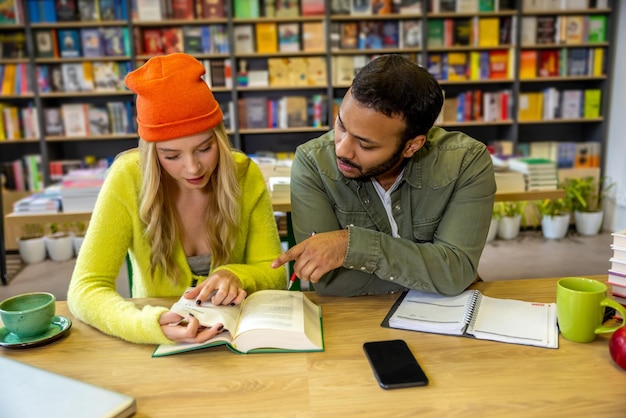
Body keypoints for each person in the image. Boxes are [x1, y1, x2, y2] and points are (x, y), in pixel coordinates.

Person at [68, 53, 286, 345]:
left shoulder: (245, 174)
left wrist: (237, 275)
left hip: (234, 343)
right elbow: (85, 289)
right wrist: (146, 324)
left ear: (219, 138)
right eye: (171, 156)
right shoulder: (126, 178)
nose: (193, 168)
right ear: (152, 153)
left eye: (205, 148)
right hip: (158, 347)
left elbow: (275, 275)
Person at [271, 55, 496, 297]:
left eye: (366, 145)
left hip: (448, 319)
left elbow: (455, 272)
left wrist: (350, 246)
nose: (342, 150)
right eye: (341, 125)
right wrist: (435, 272)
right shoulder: (313, 162)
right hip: (359, 319)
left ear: (412, 146)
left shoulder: (466, 161)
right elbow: (330, 282)